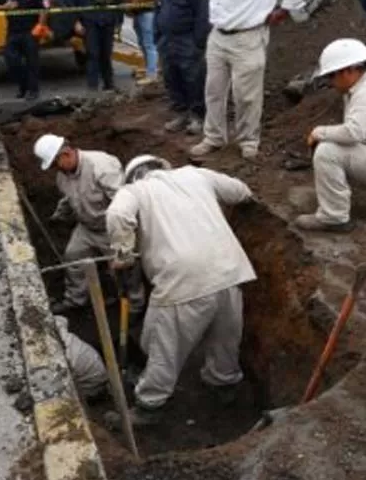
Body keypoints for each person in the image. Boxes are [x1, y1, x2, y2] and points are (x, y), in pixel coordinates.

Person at [106, 155, 257, 424]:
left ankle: (150, 404)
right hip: (230, 270)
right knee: (225, 339)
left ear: (132, 177)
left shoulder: (134, 191)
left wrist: (123, 255)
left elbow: (117, 214)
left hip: (182, 279)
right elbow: (240, 191)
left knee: (165, 347)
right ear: (162, 166)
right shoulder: (195, 174)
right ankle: (223, 384)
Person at [189, 0, 308, 162]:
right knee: (213, 91)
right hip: (218, 36)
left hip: (248, 37)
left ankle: (248, 140)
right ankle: (214, 137)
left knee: (246, 95)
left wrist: (284, 10)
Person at [33, 134, 145, 314]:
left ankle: (134, 306)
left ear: (66, 153)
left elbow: (124, 203)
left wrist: (123, 239)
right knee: (73, 256)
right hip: (86, 227)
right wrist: (59, 215)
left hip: (112, 229)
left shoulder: (102, 166)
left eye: (55, 164)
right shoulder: (63, 176)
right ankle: (76, 299)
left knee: (125, 270)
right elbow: (69, 199)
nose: (55, 169)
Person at [296, 39, 366, 233]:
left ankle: (334, 217)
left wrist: (319, 132)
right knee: (330, 144)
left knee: (327, 151)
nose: (331, 82)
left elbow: (354, 132)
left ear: (348, 70)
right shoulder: (364, 85)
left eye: (332, 76)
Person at [155, 0, 210, 136]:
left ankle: (197, 116)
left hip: (188, 41)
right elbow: (158, 11)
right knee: (172, 78)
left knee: (193, 79)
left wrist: (197, 43)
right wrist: (158, 36)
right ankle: (181, 113)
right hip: (167, 42)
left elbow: (202, 17)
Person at [66, 0, 124, 92]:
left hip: (108, 22)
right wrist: (75, 22)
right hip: (89, 23)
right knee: (92, 54)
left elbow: (119, 0)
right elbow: (70, 3)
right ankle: (92, 87)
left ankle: (109, 84)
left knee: (106, 54)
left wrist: (118, 22)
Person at [0, 0, 46, 100]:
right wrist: (5, 7)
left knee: (32, 62)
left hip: (30, 30)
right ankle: (22, 85)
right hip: (13, 31)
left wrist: (40, 26)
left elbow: (43, 9)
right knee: (11, 59)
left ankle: (33, 90)